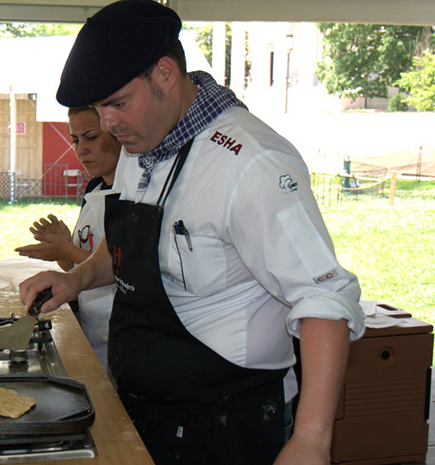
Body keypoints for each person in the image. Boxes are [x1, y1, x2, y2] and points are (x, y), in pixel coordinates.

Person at [18, 1, 365, 465]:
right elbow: (129, 246)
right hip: (150, 414)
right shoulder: (141, 144)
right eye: (101, 108)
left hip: (228, 428)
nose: (107, 124)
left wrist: (311, 442)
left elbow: (325, 300)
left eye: (117, 104)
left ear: (165, 73)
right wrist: (77, 277)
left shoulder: (251, 162)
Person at [15, 106, 121, 372]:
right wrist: (64, 251)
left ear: (118, 133)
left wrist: (67, 250)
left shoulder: (136, 193)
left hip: (122, 330)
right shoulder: (93, 188)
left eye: (91, 137)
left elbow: (122, 266)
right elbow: (75, 271)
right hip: (92, 326)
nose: (81, 149)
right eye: (75, 140)